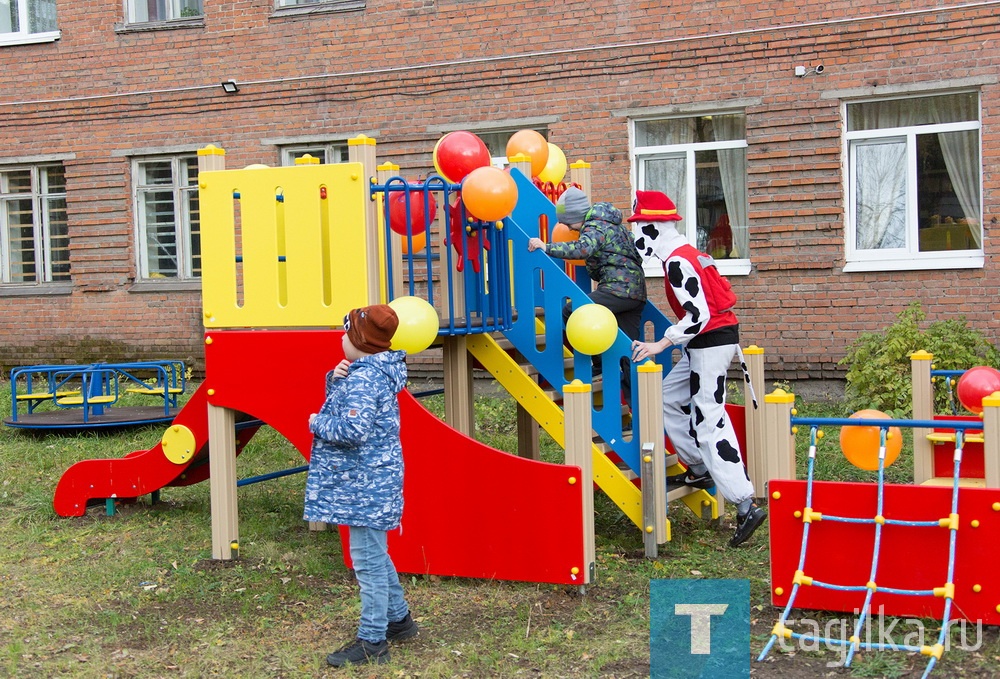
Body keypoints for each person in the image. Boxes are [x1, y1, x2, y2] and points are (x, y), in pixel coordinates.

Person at [628, 190, 766, 548]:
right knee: (666, 399)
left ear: (654, 227)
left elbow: (698, 315)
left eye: (640, 227)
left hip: (709, 341)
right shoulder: (687, 253)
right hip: (705, 341)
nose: (637, 235)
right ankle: (699, 468)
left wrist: (660, 344)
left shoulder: (677, 261)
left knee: (709, 419)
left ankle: (745, 501)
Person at [305, 304, 419, 667]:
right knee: (374, 553)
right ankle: (399, 621)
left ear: (358, 341)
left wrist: (315, 422)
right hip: (371, 480)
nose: (340, 337)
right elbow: (351, 407)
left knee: (367, 562)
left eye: (345, 331)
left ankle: (372, 640)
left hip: (364, 485)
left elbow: (352, 430)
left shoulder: (365, 378)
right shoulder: (369, 372)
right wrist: (335, 381)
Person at [527, 186, 647, 398]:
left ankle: (597, 363)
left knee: (572, 311)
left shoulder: (595, 226)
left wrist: (546, 247)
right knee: (630, 352)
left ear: (577, 216)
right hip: (635, 292)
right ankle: (637, 410)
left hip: (617, 289)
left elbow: (582, 249)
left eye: (567, 222)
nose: (567, 227)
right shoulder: (611, 224)